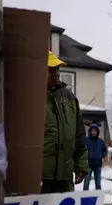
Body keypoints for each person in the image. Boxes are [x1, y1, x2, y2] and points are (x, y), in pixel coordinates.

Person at [42, 51, 88, 193]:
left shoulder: (69, 97)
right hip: (40, 176)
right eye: (51, 69)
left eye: (57, 69)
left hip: (65, 177)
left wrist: (81, 166)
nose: (56, 73)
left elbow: (79, 134)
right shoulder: (30, 94)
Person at [83, 123, 107, 190]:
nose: (94, 132)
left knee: (98, 184)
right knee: (86, 184)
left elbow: (104, 150)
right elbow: (82, 151)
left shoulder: (100, 141)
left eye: (95, 131)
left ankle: (98, 199)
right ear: (90, 131)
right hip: (88, 165)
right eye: (92, 131)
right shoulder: (86, 140)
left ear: (97, 132)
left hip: (98, 165)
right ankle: (84, 198)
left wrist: (101, 156)